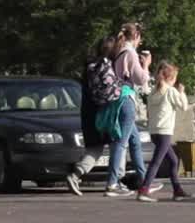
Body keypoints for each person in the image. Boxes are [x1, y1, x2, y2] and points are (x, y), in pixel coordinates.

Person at [105, 21, 159, 198]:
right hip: (126, 100)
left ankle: (144, 182)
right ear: (135, 36)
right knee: (121, 142)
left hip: (118, 99)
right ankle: (112, 183)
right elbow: (140, 78)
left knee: (134, 141)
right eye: (140, 39)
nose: (140, 42)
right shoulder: (130, 53)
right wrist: (146, 64)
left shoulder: (119, 51)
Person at [67, 35, 120, 196]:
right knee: (118, 145)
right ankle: (116, 181)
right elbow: (112, 93)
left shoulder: (90, 66)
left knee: (95, 148)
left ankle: (75, 175)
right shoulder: (107, 66)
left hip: (88, 112)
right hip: (103, 113)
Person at [135, 62, 191, 202]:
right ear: (171, 78)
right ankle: (144, 190)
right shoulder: (171, 91)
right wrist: (182, 92)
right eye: (175, 78)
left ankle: (177, 190)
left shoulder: (154, 91)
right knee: (156, 162)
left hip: (154, 131)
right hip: (165, 132)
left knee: (173, 161)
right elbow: (184, 107)